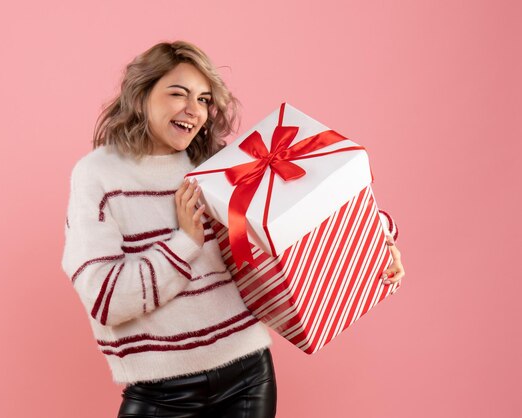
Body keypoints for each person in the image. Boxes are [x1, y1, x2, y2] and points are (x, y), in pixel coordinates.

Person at [61, 40, 405, 418]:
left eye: (204, 100)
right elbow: (106, 299)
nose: (193, 111)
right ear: (141, 95)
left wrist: (377, 242)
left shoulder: (220, 167)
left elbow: (294, 228)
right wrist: (185, 243)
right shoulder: (98, 176)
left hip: (248, 376)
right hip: (160, 394)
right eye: (178, 94)